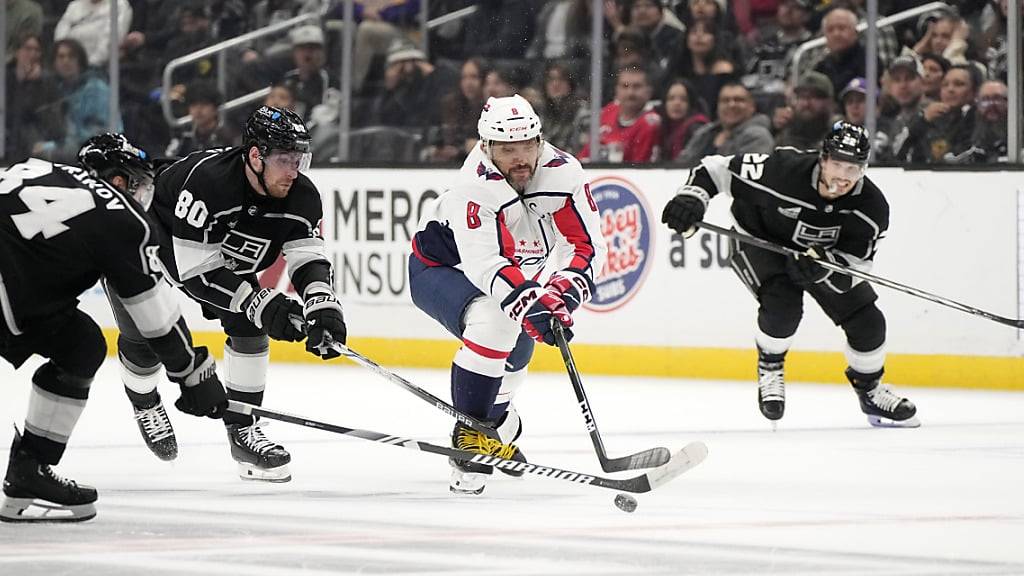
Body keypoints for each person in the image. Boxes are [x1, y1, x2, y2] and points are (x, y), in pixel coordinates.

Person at [0, 134, 227, 522]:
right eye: (139, 183)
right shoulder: (122, 217)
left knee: (81, 344)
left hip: (15, 288)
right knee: (80, 344)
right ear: (119, 180)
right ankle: (29, 470)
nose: (143, 195)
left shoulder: (41, 169)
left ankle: (30, 472)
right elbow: (154, 315)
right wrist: (192, 375)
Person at [115, 106, 347, 482]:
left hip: (213, 256)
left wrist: (323, 306)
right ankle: (144, 401)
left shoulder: (302, 197)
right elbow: (194, 272)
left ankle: (243, 429)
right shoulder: (208, 184)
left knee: (249, 326)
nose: (294, 171)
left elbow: (307, 258)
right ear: (255, 156)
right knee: (148, 337)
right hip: (151, 240)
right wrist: (261, 301)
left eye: (299, 159)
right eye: (284, 160)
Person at [661, 121, 919, 428]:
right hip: (761, 240)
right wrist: (692, 198)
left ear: (864, 168)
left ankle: (870, 391)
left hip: (820, 259)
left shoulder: (871, 208)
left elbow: (856, 267)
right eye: (837, 164)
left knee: (869, 321)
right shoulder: (782, 170)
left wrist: (824, 268)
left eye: (852, 169)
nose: (842, 177)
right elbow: (716, 170)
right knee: (783, 305)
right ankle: (770, 365)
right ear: (823, 158)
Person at [409, 94, 606, 494]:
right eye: (507, 149)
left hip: (514, 281)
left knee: (515, 360)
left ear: (540, 141)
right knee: (494, 319)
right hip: (441, 271)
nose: (520, 158)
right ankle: (469, 435)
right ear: (486, 147)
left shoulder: (563, 173)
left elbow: (586, 246)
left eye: (527, 146)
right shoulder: (474, 185)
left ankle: (498, 423)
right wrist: (531, 304)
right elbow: (486, 265)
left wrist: (562, 293)